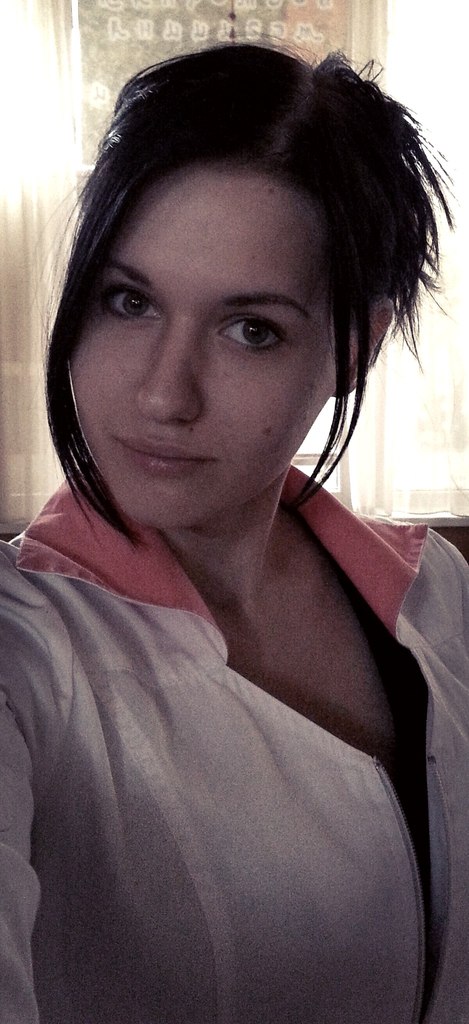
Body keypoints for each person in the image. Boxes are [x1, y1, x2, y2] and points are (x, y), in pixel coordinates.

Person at [1, 41, 468, 1024]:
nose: (164, 394)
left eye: (249, 328)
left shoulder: (436, 593)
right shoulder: (23, 652)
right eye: (128, 301)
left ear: (354, 344)